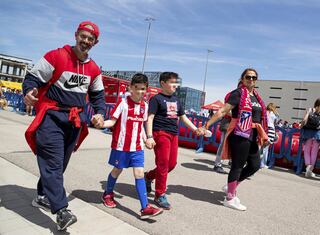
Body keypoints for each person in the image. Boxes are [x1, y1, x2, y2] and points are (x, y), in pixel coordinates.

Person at [22, 21, 105, 231]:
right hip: (51, 117)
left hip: (74, 122)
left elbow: (98, 96)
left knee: (60, 165)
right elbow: (33, 77)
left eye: (90, 39)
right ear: (76, 35)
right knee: (53, 164)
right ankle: (61, 211)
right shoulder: (56, 56)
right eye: (83, 36)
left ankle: (42, 195)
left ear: (95, 43)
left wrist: (99, 113)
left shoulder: (94, 69)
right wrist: (29, 91)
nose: (86, 41)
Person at [198, 68, 268, 211]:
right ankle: (230, 198)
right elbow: (223, 111)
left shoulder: (256, 96)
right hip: (240, 133)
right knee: (237, 165)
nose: (251, 80)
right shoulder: (238, 94)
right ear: (242, 79)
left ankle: (231, 186)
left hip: (253, 134)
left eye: (254, 78)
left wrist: (266, 133)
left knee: (255, 165)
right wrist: (206, 125)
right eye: (248, 77)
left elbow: (261, 116)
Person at [100, 73, 163, 219]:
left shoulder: (145, 106)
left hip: (137, 147)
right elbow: (112, 122)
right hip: (121, 146)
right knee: (117, 170)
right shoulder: (123, 103)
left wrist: (148, 138)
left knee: (139, 173)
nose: (140, 92)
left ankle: (145, 208)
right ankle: (107, 194)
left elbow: (142, 124)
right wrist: (102, 124)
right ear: (130, 88)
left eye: (143, 89)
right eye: (137, 88)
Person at [144, 72, 199, 210]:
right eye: (172, 82)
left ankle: (149, 176)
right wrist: (149, 137)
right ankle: (159, 194)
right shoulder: (156, 99)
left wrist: (195, 129)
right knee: (163, 164)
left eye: (177, 83)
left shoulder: (176, 100)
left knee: (172, 164)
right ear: (163, 83)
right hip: (160, 133)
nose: (175, 85)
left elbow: (184, 117)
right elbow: (150, 118)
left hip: (174, 134)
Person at [300, 97, 320, 178]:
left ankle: (308, 167)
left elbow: (304, 120)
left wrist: (301, 127)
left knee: (306, 150)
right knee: (314, 152)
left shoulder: (310, 110)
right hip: (317, 133)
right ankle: (310, 170)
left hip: (308, 132)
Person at [260, 103, 279, 168]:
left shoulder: (264, 112)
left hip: (264, 129)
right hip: (271, 130)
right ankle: (262, 163)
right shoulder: (274, 114)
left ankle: (258, 161)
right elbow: (275, 123)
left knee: (261, 146)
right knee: (266, 148)